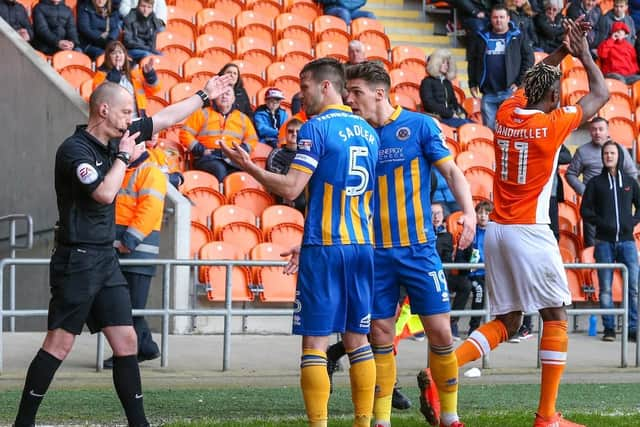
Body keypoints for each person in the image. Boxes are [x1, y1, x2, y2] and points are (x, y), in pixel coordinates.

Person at [12, 74, 233, 427]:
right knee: (59, 344)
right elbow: (103, 193)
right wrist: (124, 157)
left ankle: (138, 423)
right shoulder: (76, 150)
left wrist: (205, 95)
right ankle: (24, 422)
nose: (131, 119)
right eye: (126, 111)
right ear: (104, 110)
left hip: (105, 258)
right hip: (77, 261)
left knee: (126, 339)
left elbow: (165, 118)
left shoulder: (121, 136)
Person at [451, 18, 609, 427]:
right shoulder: (551, 125)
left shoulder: (505, 112)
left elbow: (536, 82)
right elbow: (602, 93)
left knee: (510, 320)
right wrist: (584, 55)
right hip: (530, 231)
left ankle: (445, 368)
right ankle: (547, 416)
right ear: (554, 95)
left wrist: (561, 51)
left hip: (498, 231)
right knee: (554, 317)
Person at [221, 57, 379, 427]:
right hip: (361, 247)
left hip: (325, 246)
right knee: (359, 340)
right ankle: (363, 422)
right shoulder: (369, 131)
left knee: (315, 344)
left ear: (326, 86)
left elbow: (292, 187)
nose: (300, 93)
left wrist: (251, 168)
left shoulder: (315, 128)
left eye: (304, 86)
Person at [345, 61, 476, 427]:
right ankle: (382, 419)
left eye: (356, 93)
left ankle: (449, 415)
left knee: (441, 332)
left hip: (419, 248)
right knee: (381, 333)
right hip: (375, 252)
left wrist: (467, 212)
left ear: (379, 93)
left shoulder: (418, 125)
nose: (349, 99)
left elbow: (451, 171)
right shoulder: (355, 134)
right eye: (347, 93)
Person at [102, 141, 168, 369]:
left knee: (129, 308)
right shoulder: (122, 170)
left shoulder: (150, 172)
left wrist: (129, 240)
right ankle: (145, 348)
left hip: (136, 252)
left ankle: (131, 353)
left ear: (141, 147)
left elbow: (150, 210)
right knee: (125, 307)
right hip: (121, 251)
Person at [581, 141, 639, 343]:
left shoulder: (630, 181)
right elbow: (585, 211)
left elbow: (639, 207)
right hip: (604, 241)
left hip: (627, 242)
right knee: (605, 287)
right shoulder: (595, 183)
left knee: (633, 287)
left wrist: (631, 222)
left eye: (612, 153)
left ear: (619, 155)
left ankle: (633, 328)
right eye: (606, 153)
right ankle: (609, 329)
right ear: (602, 156)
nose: (609, 156)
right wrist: (601, 223)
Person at [565, 116, 637, 247]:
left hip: (617, 204)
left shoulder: (619, 150)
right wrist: (585, 191)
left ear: (608, 131)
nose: (597, 132)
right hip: (594, 206)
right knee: (593, 247)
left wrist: (624, 193)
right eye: (593, 129)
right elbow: (570, 174)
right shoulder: (583, 151)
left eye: (600, 129)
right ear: (590, 132)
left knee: (622, 245)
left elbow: (632, 174)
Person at [467, 4, 534, 130]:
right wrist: (472, 83)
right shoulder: (481, 36)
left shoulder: (518, 35)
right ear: (490, 19)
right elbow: (473, 61)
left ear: (508, 18)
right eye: (495, 17)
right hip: (488, 92)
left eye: (502, 17)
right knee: (490, 131)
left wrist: (519, 82)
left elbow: (529, 59)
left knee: (510, 130)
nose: (498, 20)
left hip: (510, 91)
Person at [180, 86, 259, 181]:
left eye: (228, 94)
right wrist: (199, 149)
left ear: (233, 98)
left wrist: (241, 149)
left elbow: (252, 139)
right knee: (219, 170)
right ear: (214, 97)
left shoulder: (242, 118)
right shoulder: (202, 113)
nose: (224, 96)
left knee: (247, 175)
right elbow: (185, 132)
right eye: (221, 94)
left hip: (234, 159)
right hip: (208, 157)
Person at [432, 202, 471, 341]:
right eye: (432, 213)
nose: (435, 217)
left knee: (465, 286)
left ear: (443, 216)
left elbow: (447, 258)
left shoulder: (447, 236)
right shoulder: (423, 234)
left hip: (443, 274)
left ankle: (452, 322)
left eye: (438, 213)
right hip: (426, 274)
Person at [93, 41, 162, 119]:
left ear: (125, 55)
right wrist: (114, 76)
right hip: (114, 120)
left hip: (137, 118)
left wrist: (150, 75)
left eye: (120, 52)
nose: (118, 56)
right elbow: (99, 99)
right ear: (108, 57)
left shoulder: (134, 73)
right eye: (113, 53)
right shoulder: (101, 75)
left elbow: (154, 90)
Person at [420, 48, 472, 128]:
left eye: (448, 63)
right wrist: (450, 114)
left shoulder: (447, 82)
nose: (447, 66)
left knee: (474, 124)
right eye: (443, 63)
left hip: (450, 117)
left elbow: (454, 102)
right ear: (436, 63)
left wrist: (462, 112)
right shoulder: (427, 82)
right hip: (437, 118)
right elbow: (430, 104)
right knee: (466, 126)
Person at [265, 118, 306, 212]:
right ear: (286, 134)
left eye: (298, 131)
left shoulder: (307, 154)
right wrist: (298, 172)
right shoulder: (276, 153)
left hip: (304, 193)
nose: (294, 134)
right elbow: (275, 176)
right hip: (283, 194)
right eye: (291, 131)